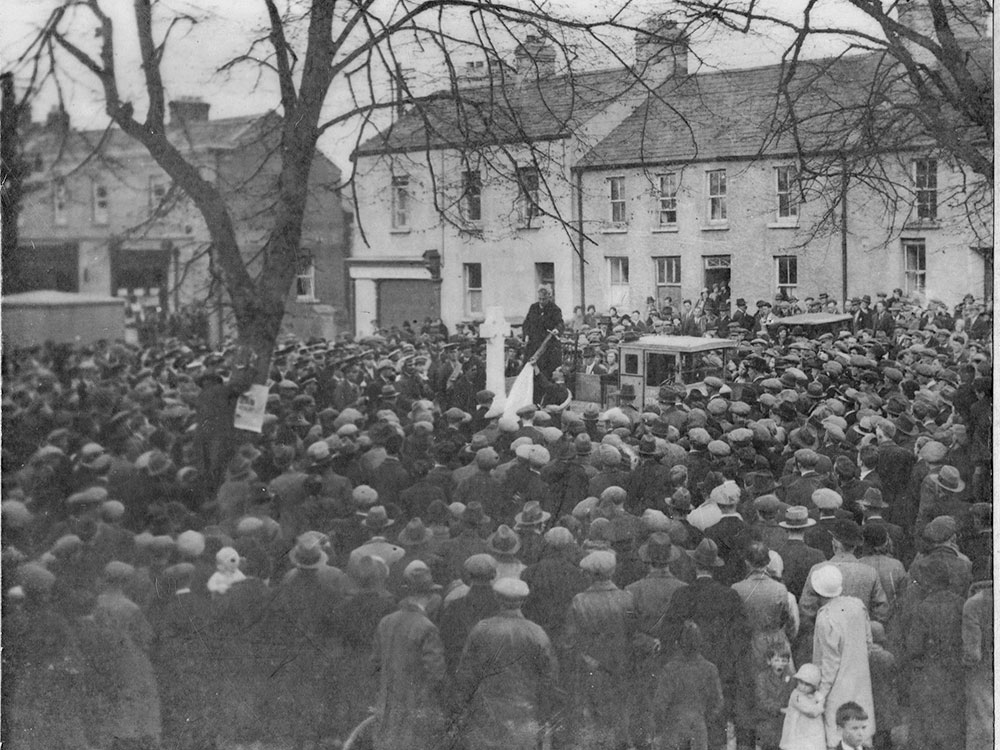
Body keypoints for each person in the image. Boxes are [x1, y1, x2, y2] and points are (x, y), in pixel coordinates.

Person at [456, 577, 559, 750]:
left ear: (497, 598)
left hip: (487, 712)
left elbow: (466, 672)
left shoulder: (481, 629)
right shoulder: (536, 632)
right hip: (525, 714)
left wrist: (464, 705)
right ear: (523, 601)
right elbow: (549, 677)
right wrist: (545, 712)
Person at [371, 562, 448, 750]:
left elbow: (375, 663)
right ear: (427, 596)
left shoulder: (386, 621)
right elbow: (436, 674)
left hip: (387, 703)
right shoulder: (427, 627)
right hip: (416, 706)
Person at [809, 565, 875, 747]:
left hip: (837, 687)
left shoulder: (825, 617)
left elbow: (830, 662)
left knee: (839, 736)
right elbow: (868, 642)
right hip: (860, 681)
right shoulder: (857, 605)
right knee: (862, 733)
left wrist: (821, 692)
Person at [652, 620, 724, 750]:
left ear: (678, 643)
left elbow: (659, 705)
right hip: (699, 729)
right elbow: (718, 702)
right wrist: (704, 719)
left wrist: (661, 728)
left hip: (673, 730)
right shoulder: (710, 669)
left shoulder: (670, 669)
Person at [755, 645, 794, 750]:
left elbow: (793, 696)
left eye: (784, 660)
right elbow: (762, 700)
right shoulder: (762, 678)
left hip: (784, 723)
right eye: (776, 660)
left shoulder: (790, 677)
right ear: (769, 661)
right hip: (767, 721)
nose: (780, 664)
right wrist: (779, 709)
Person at [779, 663, 826, 750]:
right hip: (797, 732)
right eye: (801, 682)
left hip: (811, 732)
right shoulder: (796, 695)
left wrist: (819, 699)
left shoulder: (815, 695)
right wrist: (820, 704)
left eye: (807, 684)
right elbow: (811, 711)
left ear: (814, 686)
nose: (803, 687)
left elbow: (820, 697)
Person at [522, 286, 563, 379]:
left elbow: (560, 323)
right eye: (539, 299)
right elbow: (526, 323)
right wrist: (526, 335)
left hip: (547, 347)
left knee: (546, 372)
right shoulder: (533, 308)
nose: (541, 301)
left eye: (544, 299)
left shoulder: (555, 309)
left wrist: (557, 329)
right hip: (533, 346)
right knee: (529, 370)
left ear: (549, 297)